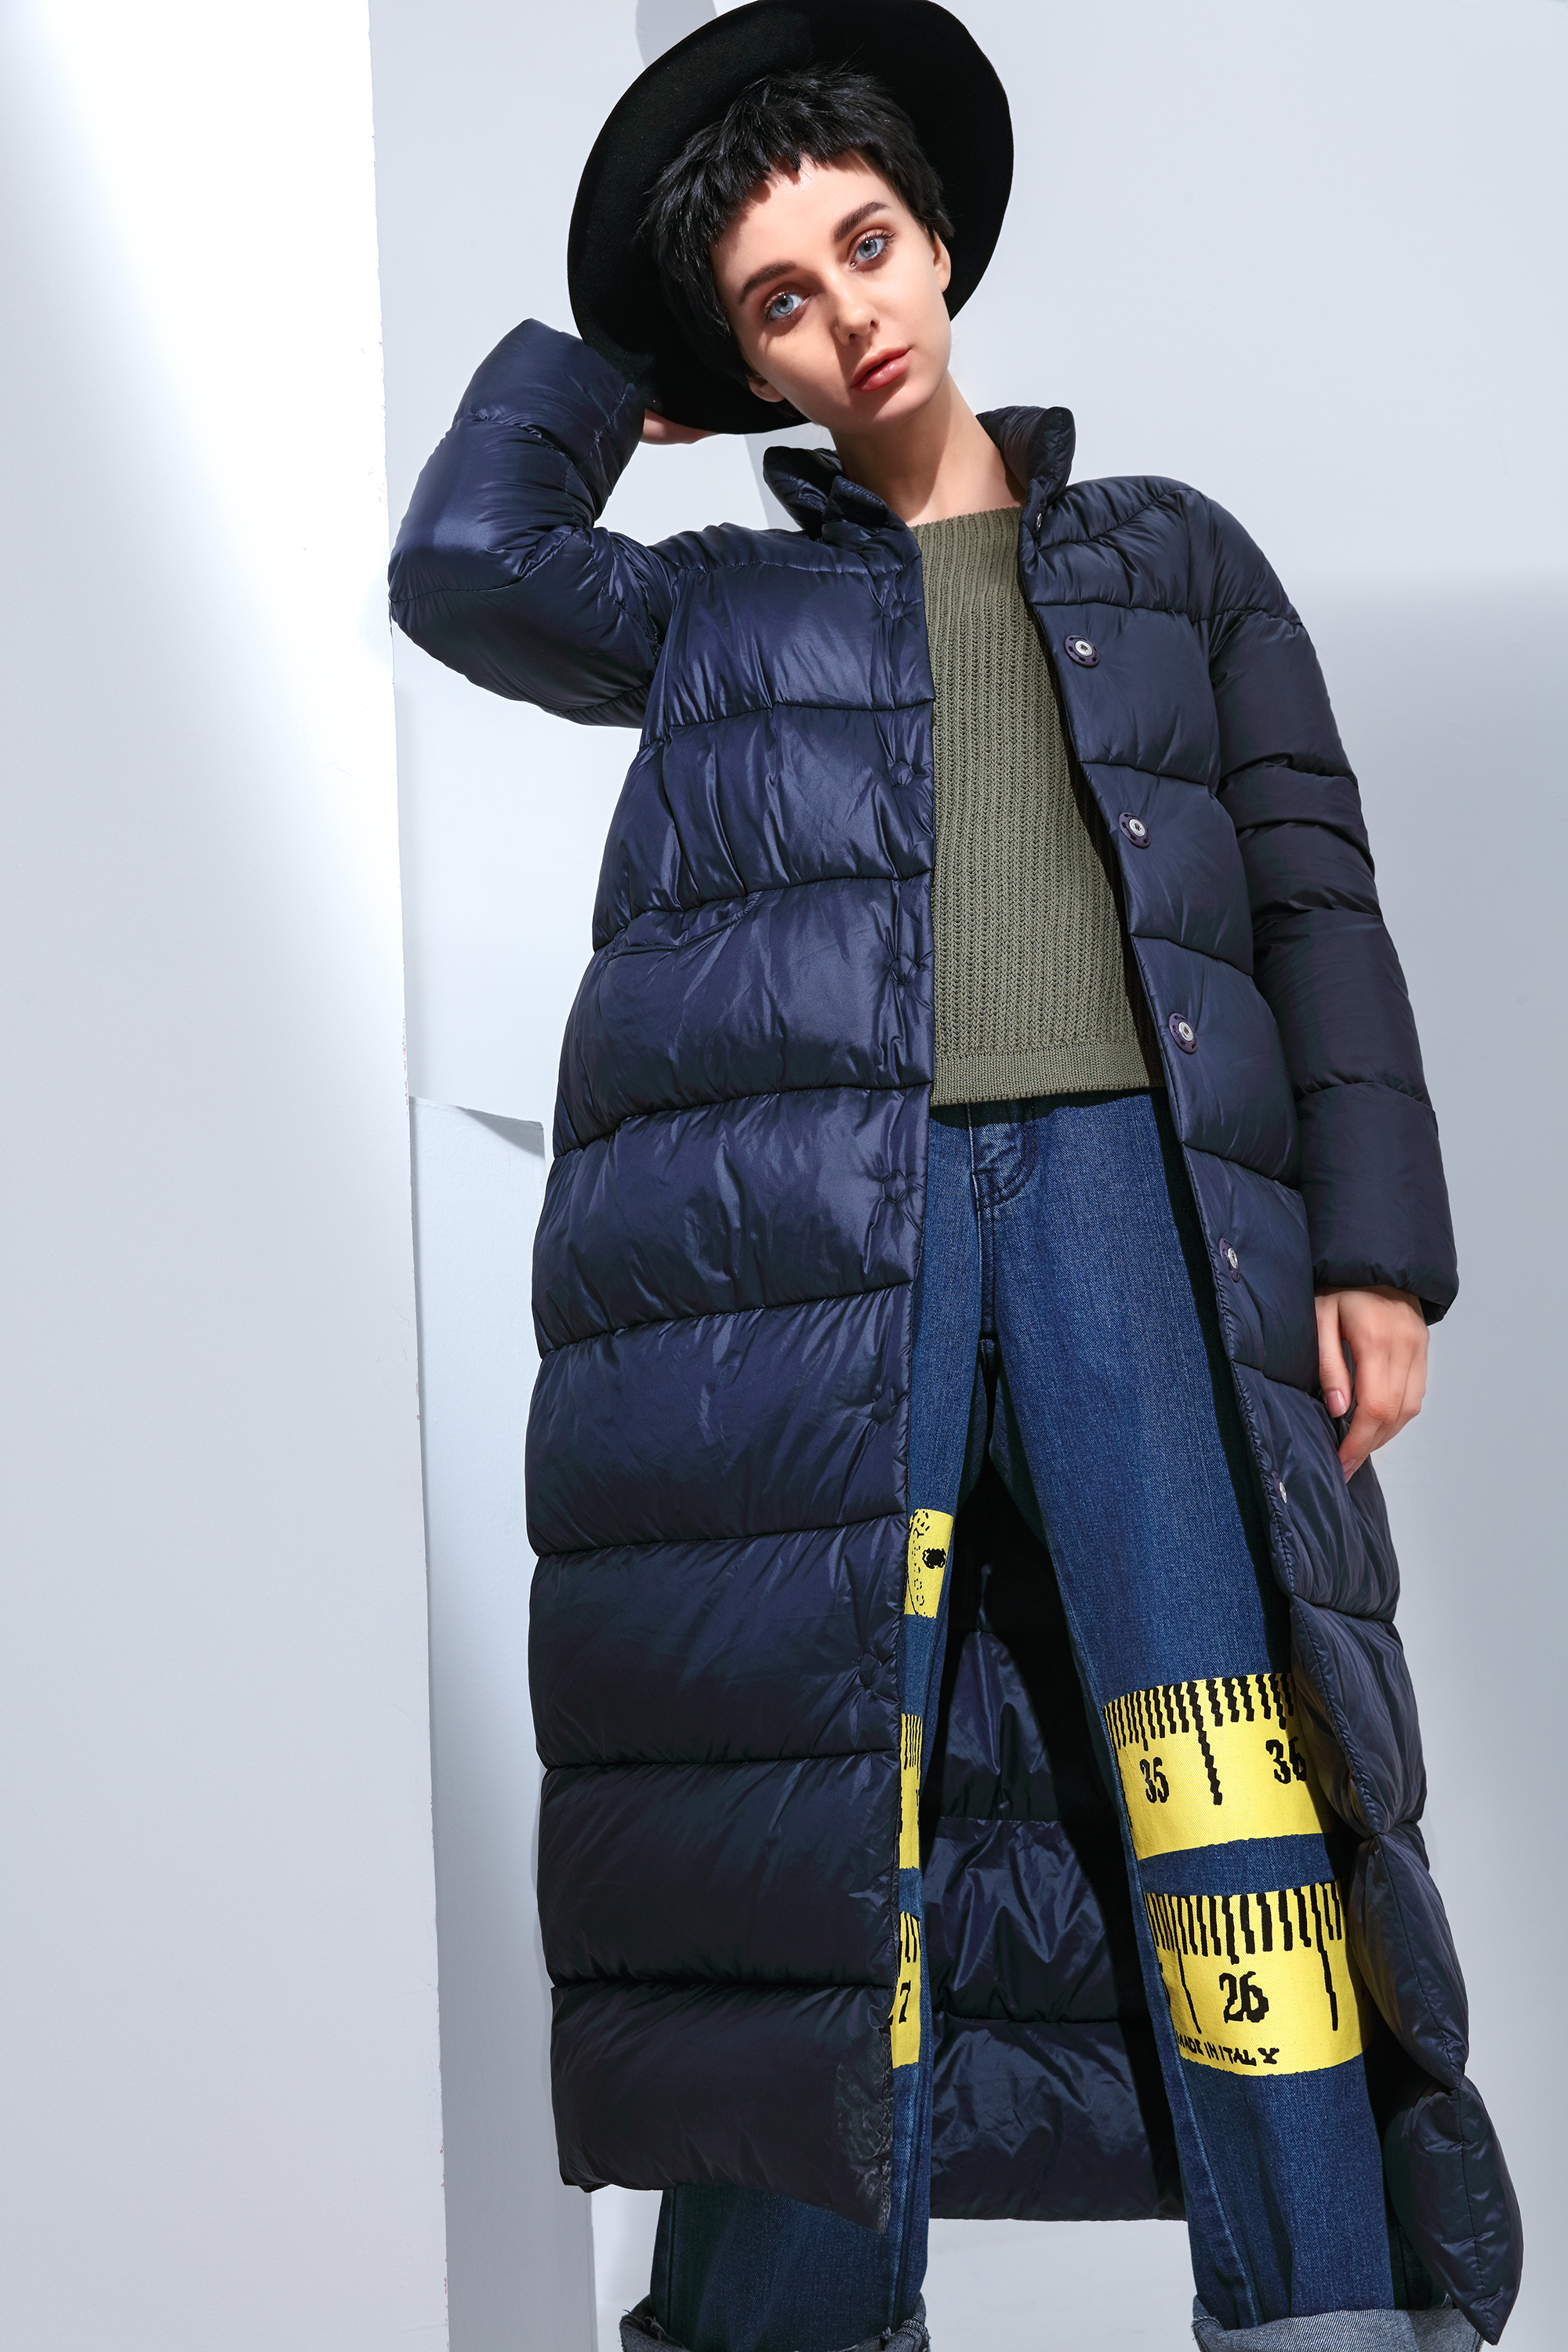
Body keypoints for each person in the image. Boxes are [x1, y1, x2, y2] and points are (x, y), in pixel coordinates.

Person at [388, 6, 1521, 2348]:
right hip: (836, 1238)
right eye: (782, 301)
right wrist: (615, 379)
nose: (852, 316)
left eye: (869, 247)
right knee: (836, 1788)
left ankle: (1322, 2310)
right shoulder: (723, 607)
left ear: (940, 240)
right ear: (747, 364)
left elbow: (1312, 899)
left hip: (1131, 1208)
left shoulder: (1175, 558)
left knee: (1221, 1768)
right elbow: (468, 562)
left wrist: (1380, 1253)